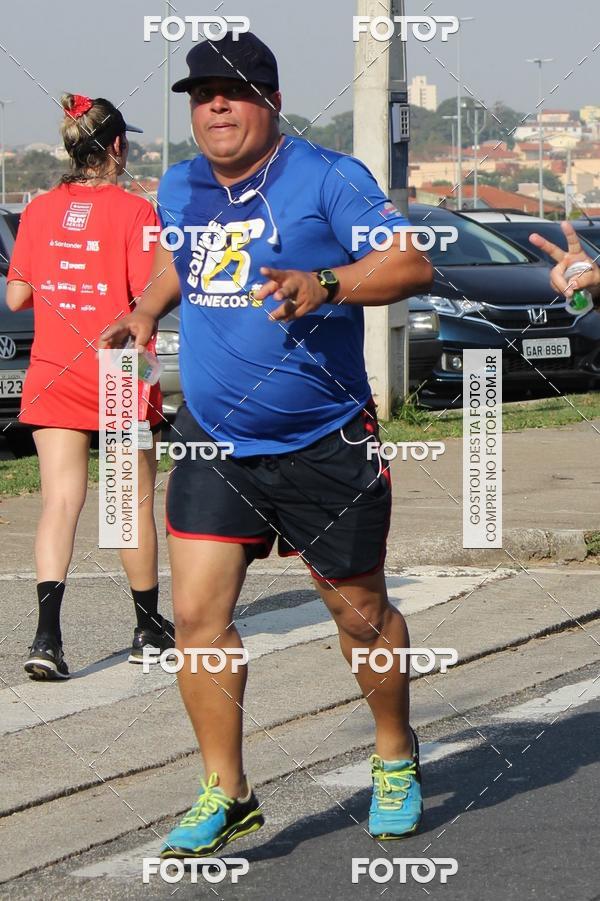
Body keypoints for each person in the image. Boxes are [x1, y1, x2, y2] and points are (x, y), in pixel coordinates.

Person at [100, 33, 433, 855]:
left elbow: (410, 265)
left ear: (270, 101)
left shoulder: (326, 178)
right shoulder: (179, 185)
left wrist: (325, 284)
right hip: (216, 441)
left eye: (233, 90)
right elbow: (181, 262)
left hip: (324, 436)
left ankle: (393, 751)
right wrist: (146, 310)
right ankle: (228, 788)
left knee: (358, 615)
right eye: (201, 92)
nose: (214, 104)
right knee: (195, 619)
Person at [7, 93, 174, 680]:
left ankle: (47, 639)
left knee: (59, 503)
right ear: (120, 148)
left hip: (52, 366)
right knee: (130, 506)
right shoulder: (136, 212)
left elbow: (16, 296)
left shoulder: (37, 210)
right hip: (119, 367)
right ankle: (147, 630)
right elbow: (147, 290)